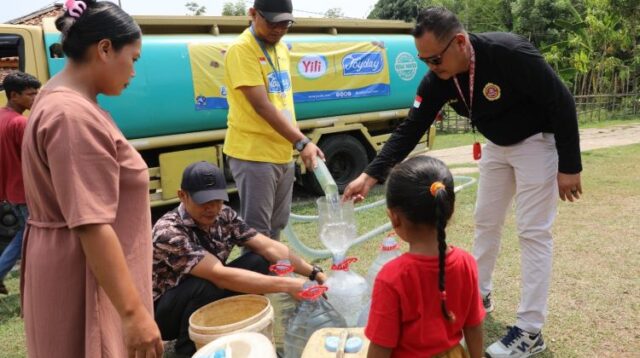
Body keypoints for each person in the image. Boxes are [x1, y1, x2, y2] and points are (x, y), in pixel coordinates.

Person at [345, 7, 582, 358]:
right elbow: (411, 128)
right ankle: (477, 294)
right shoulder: (440, 79)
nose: (430, 67)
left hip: (536, 141)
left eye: (435, 59)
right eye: (424, 60)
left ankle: (530, 329)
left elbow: (560, 100)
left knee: (533, 231)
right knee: (486, 221)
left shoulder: (509, 53)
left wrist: (569, 165)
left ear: (459, 42)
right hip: (496, 146)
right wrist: (371, 173)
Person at [20, 1, 163, 357]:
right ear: (104, 48)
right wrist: (133, 313)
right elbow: (92, 223)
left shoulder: (59, 101)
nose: (133, 72)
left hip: (72, 262)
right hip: (85, 272)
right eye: (133, 58)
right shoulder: (72, 116)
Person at [153, 161, 327, 357]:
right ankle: (189, 348)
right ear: (182, 196)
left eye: (217, 200)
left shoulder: (223, 215)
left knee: (259, 260)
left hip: (206, 291)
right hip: (164, 314)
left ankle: (231, 324)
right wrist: (288, 285)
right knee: (207, 283)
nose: (212, 208)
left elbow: (268, 246)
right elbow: (219, 275)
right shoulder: (168, 232)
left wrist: (314, 272)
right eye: (204, 202)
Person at [223, 0, 323, 241]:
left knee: (276, 225)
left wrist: (295, 142)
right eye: (272, 22)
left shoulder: (280, 49)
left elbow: (282, 102)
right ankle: (258, 277)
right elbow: (262, 106)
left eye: (285, 23)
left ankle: (273, 276)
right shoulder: (242, 49)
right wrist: (302, 142)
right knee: (257, 234)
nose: (278, 29)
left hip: (281, 152)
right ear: (252, 14)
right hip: (253, 154)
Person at [365, 156, 484, 358]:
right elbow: (474, 325)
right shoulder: (466, 262)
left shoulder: (392, 277)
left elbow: (381, 347)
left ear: (394, 217)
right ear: (449, 209)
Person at [0, 71, 40, 295]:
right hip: (25, 190)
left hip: (12, 190)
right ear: (14, 95)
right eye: (30, 94)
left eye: (36, 93)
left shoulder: (2, 116)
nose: (35, 98)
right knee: (33, 237)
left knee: (25, 234)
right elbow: (35, 159)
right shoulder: (20, 123)